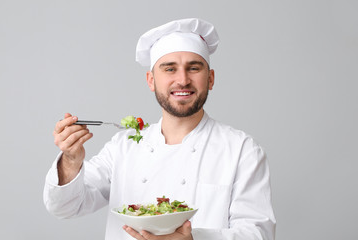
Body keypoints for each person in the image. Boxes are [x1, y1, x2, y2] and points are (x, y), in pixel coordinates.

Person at [44, 18, 276, 240]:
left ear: (211, 79)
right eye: (169, 69)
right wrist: (71, 160)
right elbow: (65, 207)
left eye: (194, 68)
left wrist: (193, 239)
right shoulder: (122, 147)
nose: (183, 80)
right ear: (151, 80)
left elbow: (258, 234)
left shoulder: (241, 150)